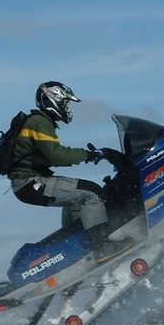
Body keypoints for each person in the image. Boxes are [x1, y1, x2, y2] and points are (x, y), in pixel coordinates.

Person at [8, 81, 133, 263]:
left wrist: (89, 155)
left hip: (29, 183)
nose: (66, 108)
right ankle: (102, 248)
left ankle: (73, 257)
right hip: (30, 183)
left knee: (77, 203)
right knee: (92, 193)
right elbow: (56, 155)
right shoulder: (39, 122)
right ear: (53, 100)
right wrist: (88, 155)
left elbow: (51, 156)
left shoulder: (39, 122)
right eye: (65, 103)